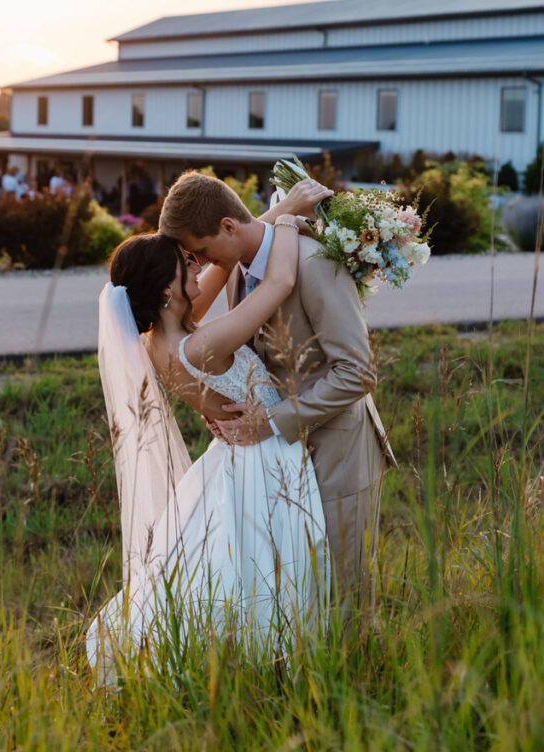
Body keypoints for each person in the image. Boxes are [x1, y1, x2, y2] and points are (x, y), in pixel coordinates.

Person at [86, 179, 332, 670]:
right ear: (166, 289)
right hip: (264, 453)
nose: (200, 266)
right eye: (187, 266)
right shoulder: (201, 344)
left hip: (234, 455)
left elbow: (224, 258)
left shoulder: (162, 335)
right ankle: (274, 660)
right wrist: (286, 218)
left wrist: (271, 211)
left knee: (235, 567)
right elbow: (280, 281)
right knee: (276, 565)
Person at [159, 170, 396, 616]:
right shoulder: (234, 272)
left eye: (203, 251)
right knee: (297, 585)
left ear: (228, 227)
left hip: (337, 449)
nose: (202, 264)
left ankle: (357, 679)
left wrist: (271, 420)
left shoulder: (312, 263)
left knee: (345, 592)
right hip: (278, 462)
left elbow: (358, 371)